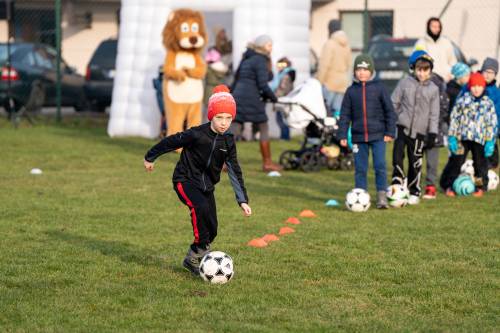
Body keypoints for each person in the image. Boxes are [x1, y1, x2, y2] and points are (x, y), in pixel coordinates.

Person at [143, 85, 252, 276]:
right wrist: (150, 157)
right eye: (219, 118)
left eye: (228, 118)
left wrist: (242, 199)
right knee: (199, 208)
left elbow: (234, 169)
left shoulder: (228, 141)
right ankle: (199, 253)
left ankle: (192, 256)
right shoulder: (196, 134)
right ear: (211, 116)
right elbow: (171, 141)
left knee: (212, 228)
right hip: (185, 180)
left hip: (207, 186)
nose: (224, 123)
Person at [338, 54, 396, 209]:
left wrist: (390, 132)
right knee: (360, 168)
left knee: (380, 165)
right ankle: (360, 195)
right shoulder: (351, 91)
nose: (361, 72)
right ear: (354, 72)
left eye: (365, 69)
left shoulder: (380, 89)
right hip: (358, 137)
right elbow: (344, 115)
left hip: (378, 136)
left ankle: (382, 196)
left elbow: (389, 111)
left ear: (371, 71)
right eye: (358, 69)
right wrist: (343, 134)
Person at [391, 50, 440, 205]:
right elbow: (394, 102)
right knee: (397, 157)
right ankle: (398, 184)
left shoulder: (434, 89)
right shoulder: (405, 82)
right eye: (419, 69)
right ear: (414, 69)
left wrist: (432, 133)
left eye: (425, 70)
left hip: (419, 132)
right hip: (402, 127)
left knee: (415, 161)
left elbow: (434, 114)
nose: (422, 73)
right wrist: (395, 118)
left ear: (430, 71)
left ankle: (414, 191)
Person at [439, 73, 498, 196]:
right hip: (462, 138)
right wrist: (452, 137)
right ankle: (448, 185)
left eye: (479, 86)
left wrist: (490, 141)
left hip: (480, 139)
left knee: (480, 164)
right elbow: (455, 118)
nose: (476, 89)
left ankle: (480, 186)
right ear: (469, 86)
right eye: (474, 86)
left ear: (483, 87)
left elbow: (492, 123)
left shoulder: (488, 103)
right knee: (456, 161)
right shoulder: (462, 100)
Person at [230, 35, 282, 172]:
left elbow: (236, 79)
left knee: (234, 129)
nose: (271, 48)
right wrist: (275, 98)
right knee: (263, 126)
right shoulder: (260, 60)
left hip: (238, 97)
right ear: (262, 46)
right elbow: (263, 85)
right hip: (251, 98)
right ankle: (267, 163)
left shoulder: (247, 58)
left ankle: (222, 163)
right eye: (269, 45)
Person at [423, 72, 450, 199]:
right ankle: (413, 185)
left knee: (432, 162)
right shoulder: (414, 84)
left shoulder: (438, 86)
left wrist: (433, 121)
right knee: (414, 161)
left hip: (434, 132)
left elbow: (444, 109)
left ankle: (430, 186)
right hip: (416, 132)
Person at [317, 28, 352, 116]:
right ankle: (338, 129)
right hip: (343, 83)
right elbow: (349, 64)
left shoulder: (330, 44)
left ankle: (327, 129)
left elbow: (324, 65)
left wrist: (319, 82)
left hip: (330, 83)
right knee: (338, 112)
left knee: (325, 110)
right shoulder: (347, 45)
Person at [415, 17, 457, 82]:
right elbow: (415, 62)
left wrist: (451, 75)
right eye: (434, 27)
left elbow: (453, 62)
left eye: (438, 27)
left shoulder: (446, 43)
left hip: (445, 80)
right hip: (428, 81)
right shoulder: (421, 43)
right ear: (428, 27)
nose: (436, 29)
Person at [480, 57, 500, 169]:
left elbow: (498, 113)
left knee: (492, 159)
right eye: (486, 72)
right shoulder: (475, 87)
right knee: (479, 157)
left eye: (492, 73)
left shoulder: (496, 93)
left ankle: (490, 172)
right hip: (476, 129)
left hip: (491, 131)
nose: (488, 75)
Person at [269, 57, 296, 140]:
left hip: (282, 100)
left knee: (282, 119)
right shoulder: (282, 74)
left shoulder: (285, 75)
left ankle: (285, 137)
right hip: (282, 100)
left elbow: (283, 89)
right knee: (281, 119)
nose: (278, 66)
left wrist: (274, 96)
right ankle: (284, 136)